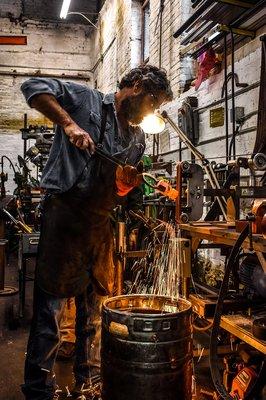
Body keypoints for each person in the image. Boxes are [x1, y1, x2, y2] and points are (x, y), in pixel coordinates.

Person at [20, 65, 173, 400]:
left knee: (94, 309)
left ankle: (88, 381)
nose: (152, 110)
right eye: (151, 100)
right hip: (64, 219)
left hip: (98, 225)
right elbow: (32, 86)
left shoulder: (137, 138)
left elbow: (119, 194)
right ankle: (38, 389)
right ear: (135, 86)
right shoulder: (85, 100)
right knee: (52, 313)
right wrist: (69, 123)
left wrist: (124, 185)